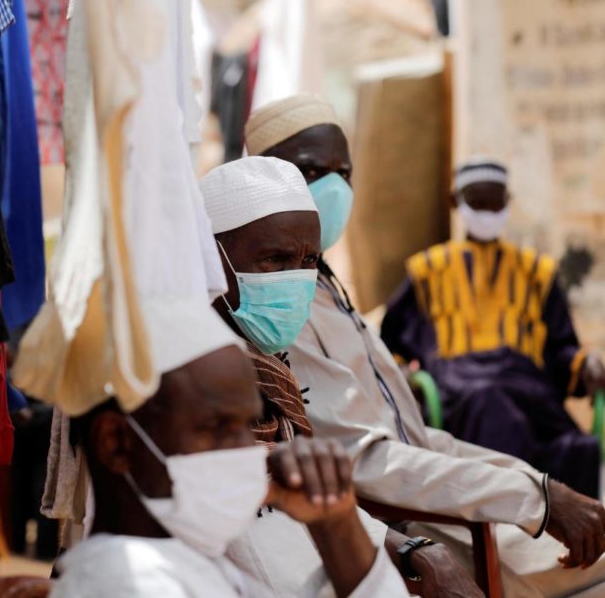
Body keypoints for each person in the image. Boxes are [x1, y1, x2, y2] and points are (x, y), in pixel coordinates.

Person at [242, 93, 605, 598]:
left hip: (456, 492)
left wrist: (537, 486)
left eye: (342, 172)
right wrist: (533, 496)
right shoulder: (281, 304)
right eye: (310, 169)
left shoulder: (327, 287)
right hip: (418, 522)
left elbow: (414, 435)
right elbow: (366, 459)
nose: (332, 186)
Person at [200, 156, 483, 598]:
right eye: (274, 259)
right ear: (209, 258)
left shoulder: (273, 372)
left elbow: (315, 504)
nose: (295, 278)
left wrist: (413, 549)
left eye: (309, 260)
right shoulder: (184, 381)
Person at [50, 299, 407, 597]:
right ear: (116, 444)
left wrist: (335, 522)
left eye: (249, 423)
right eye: (217, 427)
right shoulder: (132, 584)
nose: (247, 449)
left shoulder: (190, 562)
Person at [381, 157, 605, 499]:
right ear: (455, 202)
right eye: (478, 202)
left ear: (507, 204)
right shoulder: (427, 271)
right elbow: (390, 343)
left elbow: (562, 347)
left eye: (494, 202)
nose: (487, 211)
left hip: (531, 391)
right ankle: (521, 511)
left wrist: (585, 363)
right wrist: (403, 374)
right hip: (459, 391)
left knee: (577, 447)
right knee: (490, 402)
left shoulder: (537, 272)